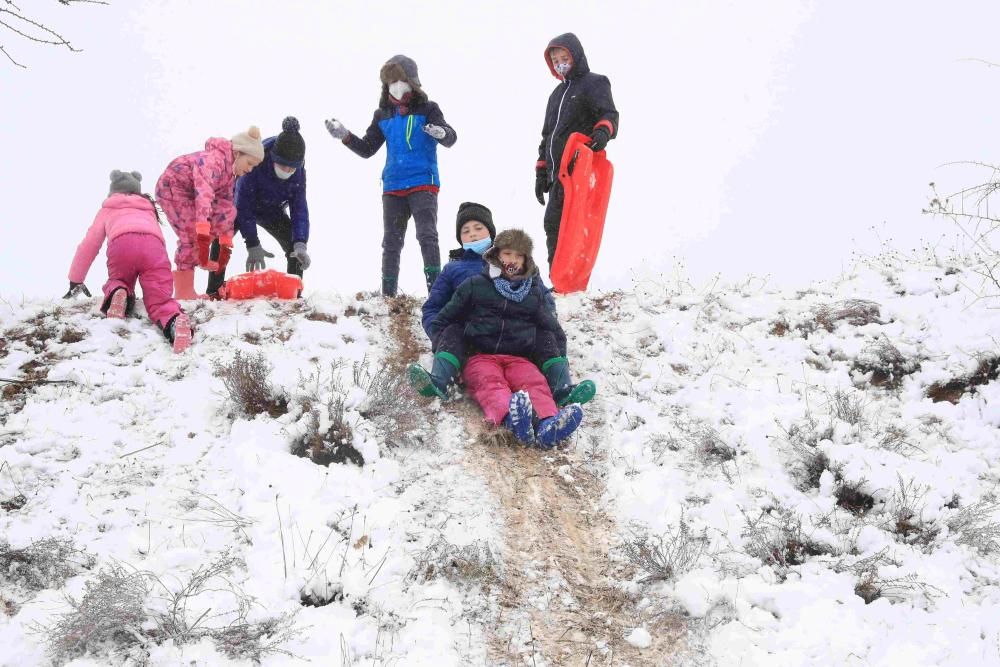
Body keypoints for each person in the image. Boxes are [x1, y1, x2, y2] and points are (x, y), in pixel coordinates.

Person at [410, 229, 584, 448]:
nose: (512, 260)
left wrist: (561, 359)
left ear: (526, 261)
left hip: (520, 357)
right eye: (507, 253)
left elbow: (551, 328)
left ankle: (548, 425)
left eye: (518, 255)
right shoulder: (475, 285)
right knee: (490, 383)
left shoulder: (533, 293)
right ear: (497, 256)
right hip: (480, 355)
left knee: (533, 383)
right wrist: (444, 344)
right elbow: (446, 317)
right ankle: (512, 419)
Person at [417, 202, 596, 406]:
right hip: (474, 338)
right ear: (460, 238)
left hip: (517, 337)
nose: (473, 235)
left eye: (478, 228)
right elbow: (433, 308)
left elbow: (543, 303)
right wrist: (439, 338)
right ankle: (441, 381)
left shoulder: (516, 263)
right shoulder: (453, 269)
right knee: (453, 330)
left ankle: (561, 389)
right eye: (466, 231)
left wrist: (541, 325)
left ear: (491, 232)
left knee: (544, 336)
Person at [324, 54, 457, 296]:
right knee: (391, 241)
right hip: (393, 185)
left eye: (401, 79)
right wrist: (345, 136)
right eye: (391, 80)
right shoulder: (382, 115)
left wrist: (441, 132)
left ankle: (436, 293)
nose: (396, 85)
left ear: (412, 82)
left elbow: (451, 138)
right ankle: (388, 295)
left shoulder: (428, 109)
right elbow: (367, 148)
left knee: (427, 235)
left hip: (423, 182)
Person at [65, 170, 192, 353]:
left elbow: (89, 244)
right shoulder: (148, 209)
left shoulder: (108, 208)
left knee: (120, 279)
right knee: (160, 297)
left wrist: (76, 279)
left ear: (113, 191)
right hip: (154, 248)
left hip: (122, 245)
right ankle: (173, 320)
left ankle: (119, 291)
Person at [535, 33, 619, 266]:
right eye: (555, 60)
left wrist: (602, 132)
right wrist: (541, 172)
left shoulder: (595, 82)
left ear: (576, 56)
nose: (560, 63)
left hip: (577, 169)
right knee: (552, 223)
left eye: (565, 57)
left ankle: (572, 280)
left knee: (573, 225)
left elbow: (609, 114)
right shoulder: (556, 95)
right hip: (556, 175)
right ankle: (558, 279)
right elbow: (547, 136)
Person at [155, 126, 265, 299]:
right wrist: (202, 231)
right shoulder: (214, 161)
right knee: (190, 233)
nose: (250, 169)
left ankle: (198, 258)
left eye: (254, 166)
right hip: (172, 187)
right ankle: (184, 291)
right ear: (237, 153)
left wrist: (225, 244)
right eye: (250, 163)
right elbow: (204, 193)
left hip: (190, 193)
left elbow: (225, 206)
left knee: (219, 217)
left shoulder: (229, 175)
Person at [206, 117, 311, 296]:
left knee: (294, 246)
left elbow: (299, 207)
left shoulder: (298, 172)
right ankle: (214, 291)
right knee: (221, 238)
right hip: (240, 207)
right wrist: (252, 243)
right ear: (273, 159)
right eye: (282, 166)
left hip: (272, 210)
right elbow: (243, 204)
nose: (286, 171)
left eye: (291, 169)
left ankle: (294, 292)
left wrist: (301, 242)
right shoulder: (256, 161)